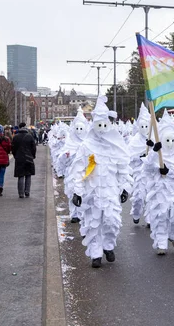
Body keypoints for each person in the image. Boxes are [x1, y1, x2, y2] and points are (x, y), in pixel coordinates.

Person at [70, 96, 132, 267]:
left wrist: (125, 187)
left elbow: (123, 168)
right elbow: (79, 169)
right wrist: (77, 191)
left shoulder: (116, 146)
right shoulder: (86, 146)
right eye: (99, 125)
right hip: (92, 192)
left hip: (111, 192)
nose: (102, 128)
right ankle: (96, 254)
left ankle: (108, 246)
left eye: (105, 125)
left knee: (111, 221)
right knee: (93, 223)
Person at [143, 110, 174, 255]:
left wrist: (170, 172)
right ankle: (161, 243)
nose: (169, 143)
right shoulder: (157, 154)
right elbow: (148, 169)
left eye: (171, 140)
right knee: (161, 217)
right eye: (166, 140)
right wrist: (153, 153)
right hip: (160, 191)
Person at [58, 108, 89, 224]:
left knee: (84, 194)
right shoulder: (70, 142)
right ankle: (74, 214)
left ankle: (83, 214)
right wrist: (66, 156)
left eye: (81, 128)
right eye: (77, 128)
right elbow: (62, 159)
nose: (79, 131)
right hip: (72, 172)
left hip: (85, 173)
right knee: (72, 193)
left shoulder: (88, 142)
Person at [128, 103, 151, 225]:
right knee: (139, 196)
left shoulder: (154, 139)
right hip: (139, 173)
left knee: (152, 197)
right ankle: (136, 212)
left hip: (151, 173)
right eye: (142, 126)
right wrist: (140, 157)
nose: (144, 128)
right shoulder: (134, 141)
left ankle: (149, 218)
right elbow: (130, 157)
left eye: (146, 125)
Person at [12, 122, 36, 198]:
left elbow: (13, 148)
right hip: (29, 157)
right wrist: (32, 156)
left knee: (20, 175)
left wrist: (15, 155)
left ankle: (21, 193)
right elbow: (33, 148)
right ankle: (27, 191)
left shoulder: (16, 137)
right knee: (28, 175)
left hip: (19, 158)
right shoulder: (30, 136)